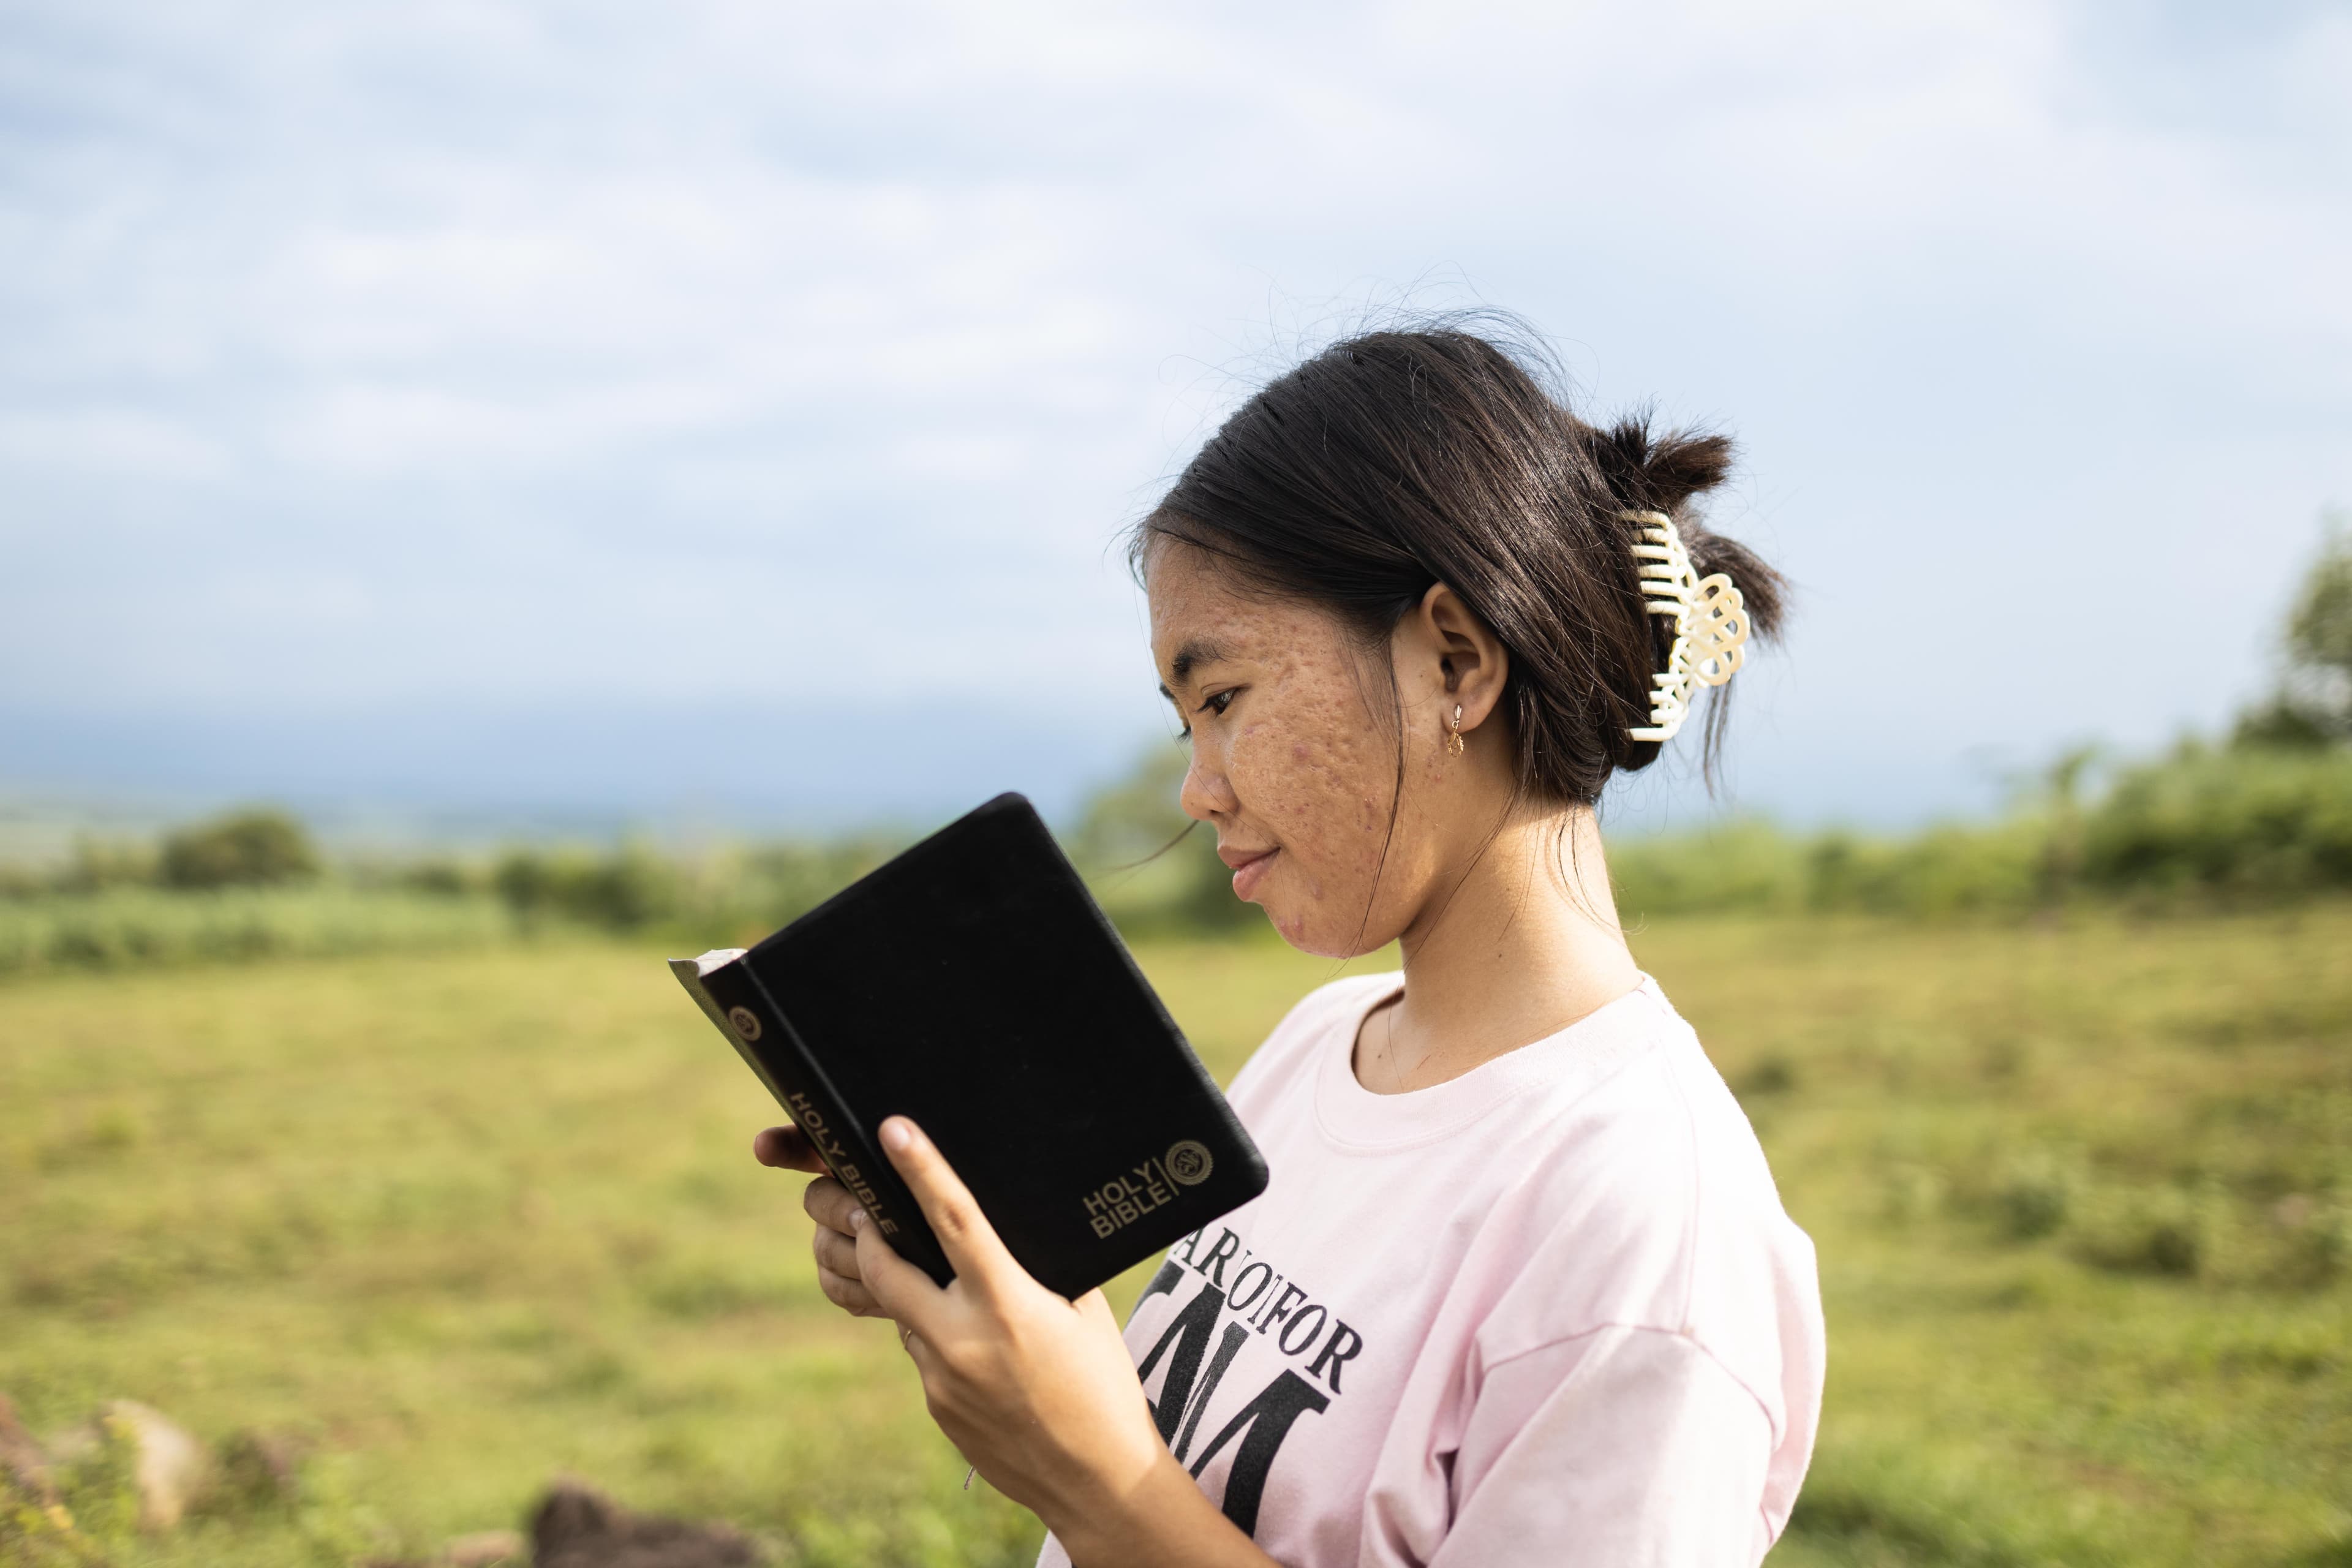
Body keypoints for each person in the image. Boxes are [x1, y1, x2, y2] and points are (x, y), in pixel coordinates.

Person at [753, 318, 1826, 1567]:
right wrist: (990, 1298)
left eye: (1223, 699)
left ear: (1454, 659)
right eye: (1183, 725)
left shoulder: (1646, 1229)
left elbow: (1134, 1490)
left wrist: (1100, 1483)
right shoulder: (1328, 1042)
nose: (1198, 788)